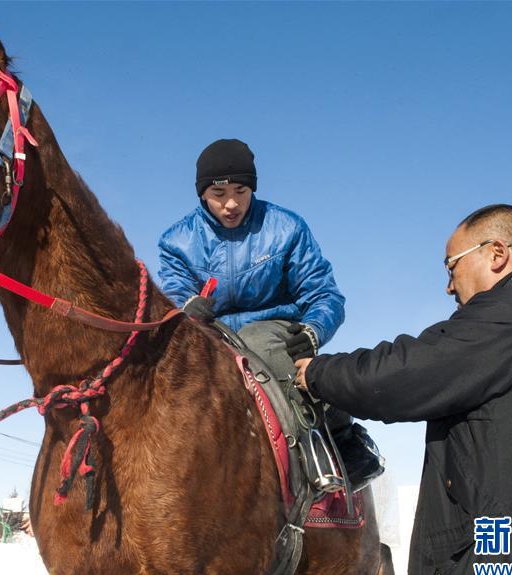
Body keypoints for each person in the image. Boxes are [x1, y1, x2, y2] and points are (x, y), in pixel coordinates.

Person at [295, 204, 512, 575]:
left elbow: (407, 373)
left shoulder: (511, 314)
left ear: (496, 254)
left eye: (451, 267)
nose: (449, 286)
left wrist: (318, 373)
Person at [158, 138, 384, 492]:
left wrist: (313, 330)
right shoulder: (175, 242)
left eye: (241, 190)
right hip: (210, 331)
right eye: (219, 194)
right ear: (202, 193)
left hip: (274, 327)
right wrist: (187, 306)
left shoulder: (285, 228)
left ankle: (332, 442)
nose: (231, 203)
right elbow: (174, 288)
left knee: (258, 342)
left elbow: (324, 293)